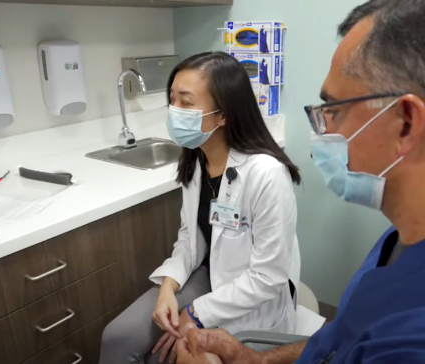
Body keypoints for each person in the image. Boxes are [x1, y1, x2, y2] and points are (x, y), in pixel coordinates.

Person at [177, 1, 425, 363]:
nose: (322, 130)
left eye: (334, 110)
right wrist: (256, 359)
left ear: (405, 121)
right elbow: (341, 340)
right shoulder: (396, 243)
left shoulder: (409, 341)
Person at [99, 52, 302, 364]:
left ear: (224, 114)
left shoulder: (266, 174)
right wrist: (168, 286)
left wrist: (194, 313)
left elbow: (267, 276)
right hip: (209, 275)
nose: (175, 111)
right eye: (172, 100)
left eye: (186, 102)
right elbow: (189, 238)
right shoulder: (197, 161)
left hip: (253, 300)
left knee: (162, 358)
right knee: (119, 336)